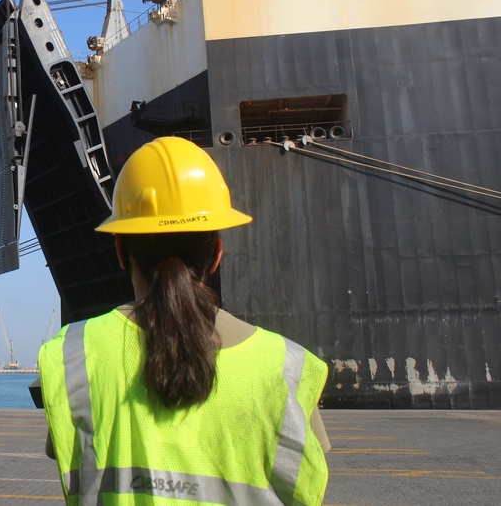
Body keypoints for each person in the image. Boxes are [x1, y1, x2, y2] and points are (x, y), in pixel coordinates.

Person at [38, 137, 330, 506]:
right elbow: (306, 490)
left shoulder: (74, 356)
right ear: (217, 254)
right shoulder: (285, 366)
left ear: (121, 251)